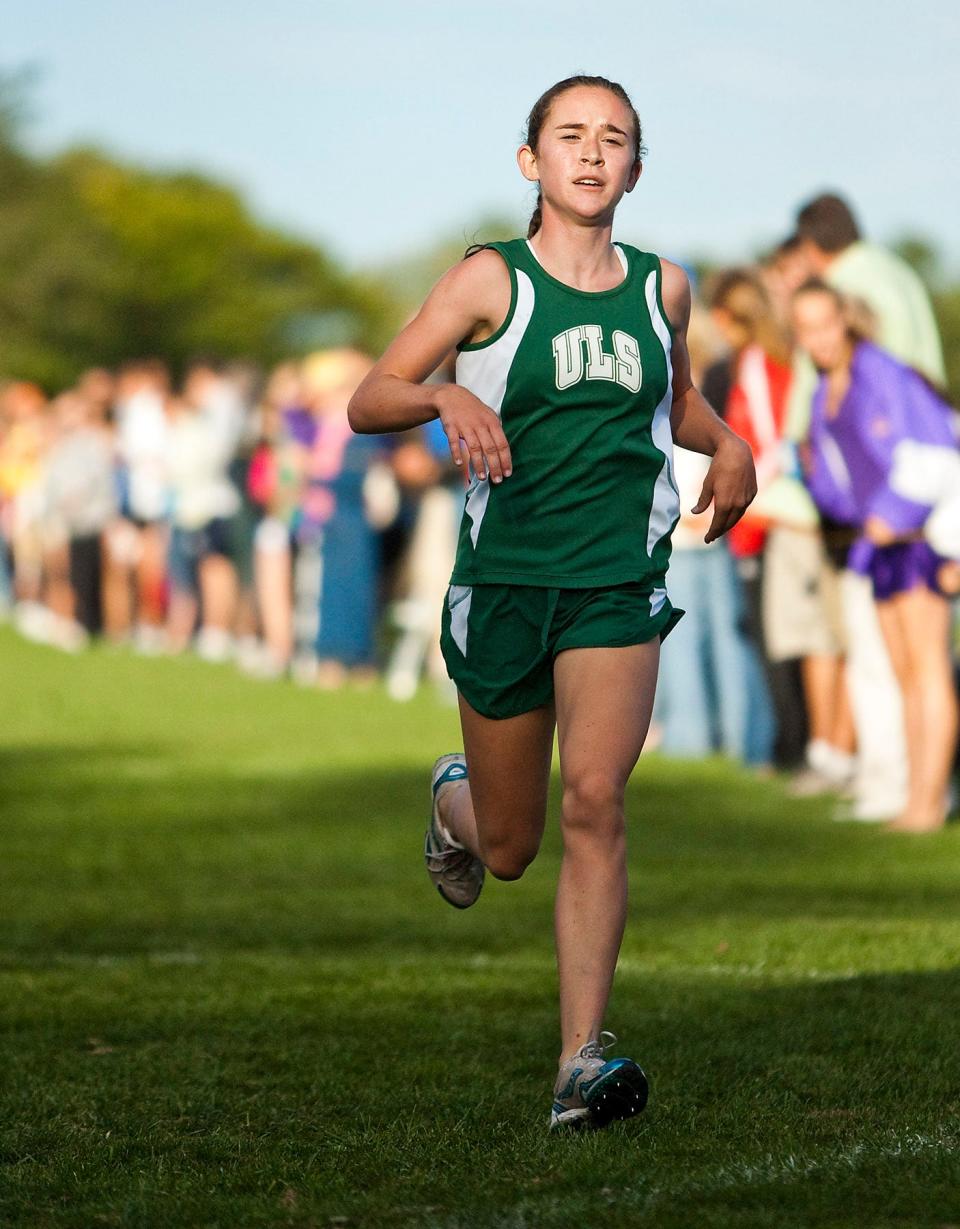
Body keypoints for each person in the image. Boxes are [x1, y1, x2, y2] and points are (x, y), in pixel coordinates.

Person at [348, 75, 756, 1131]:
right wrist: (443, 391)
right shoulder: (492, 279)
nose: (591, 152)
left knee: (597, 801)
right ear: (530, 161)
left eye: (613, 139)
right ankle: (455, 800)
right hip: (508, 584)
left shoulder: (664, 287)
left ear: (634, 165)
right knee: (516, 843)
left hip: (619, 581)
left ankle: (581, 1058)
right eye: (569, 136)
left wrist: (733, 443)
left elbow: (675, 397)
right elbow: (370, 395)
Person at [792, 279, 958, 833]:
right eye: (804, 329)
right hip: (880, 545)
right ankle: (916, 798)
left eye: (824, 324)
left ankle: (930, 802)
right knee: (903, 675)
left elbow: (938, 449)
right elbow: (839, 488)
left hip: (921, 543)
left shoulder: (883, 371)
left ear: (847, 318)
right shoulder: (823, 390)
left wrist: (892, 515)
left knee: (928, 671)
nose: (816, 338)